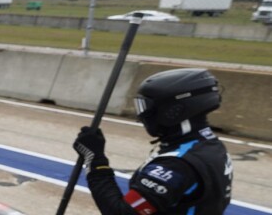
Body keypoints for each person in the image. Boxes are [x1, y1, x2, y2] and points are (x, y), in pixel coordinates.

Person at [72, 68, 233, 214]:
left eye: (145, 107)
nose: (141, 116)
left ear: (174, 110)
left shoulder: (176, 164)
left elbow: (122, 213)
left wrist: (95, 159)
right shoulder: (211, 145)